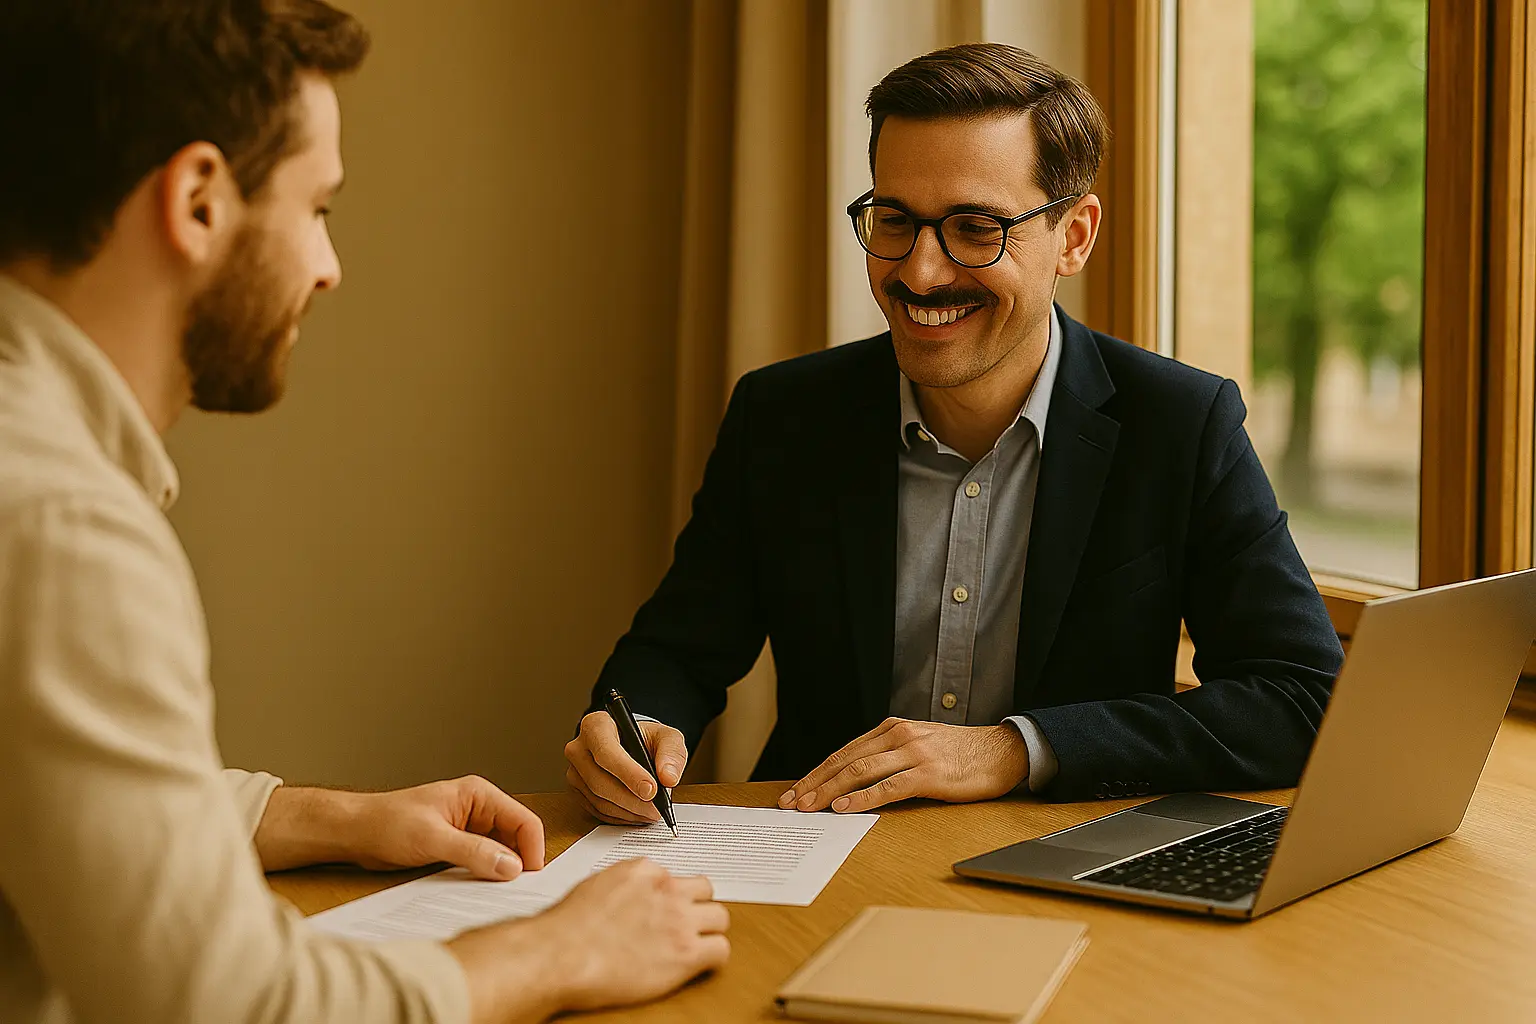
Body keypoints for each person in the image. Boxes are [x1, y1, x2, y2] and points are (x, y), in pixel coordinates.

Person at [0, 3, 727, 1023]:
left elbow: (45, 791)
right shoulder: (61, 529)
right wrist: (552, 950)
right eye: (318, 208)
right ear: (200, 200)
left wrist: (327, 817)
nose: (328, 265)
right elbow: (230, 1006)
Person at [565, 42, 1344, 824]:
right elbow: (676, 651)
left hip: (1064, 856)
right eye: (896, 220)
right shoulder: (782, 416)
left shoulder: (1181, 423)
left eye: (975, 229)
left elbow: (1304, 699)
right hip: (814, 851)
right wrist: (636, 730)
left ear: (1074, 236)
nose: (921, 272)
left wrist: (1016, 747)